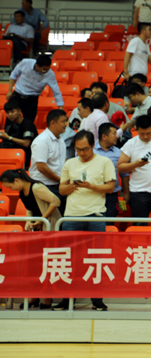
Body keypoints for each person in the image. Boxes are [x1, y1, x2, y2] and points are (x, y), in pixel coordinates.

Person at [56, 130, 116, 311]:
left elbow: (110, 187)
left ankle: (97, 299)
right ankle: (68, 298)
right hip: (72, 215)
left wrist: (91, 186)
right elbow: (61, 190)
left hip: (95, 216)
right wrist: (72, 186)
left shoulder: (104, 162)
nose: (81, 153)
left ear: (93, 146)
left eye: (85, 149)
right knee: (69, 259)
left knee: (96, 258)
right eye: (78, 149)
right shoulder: (70, 163)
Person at [29, 110, 68, 211]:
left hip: (57, 185)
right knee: (47, 219)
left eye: (66, 121)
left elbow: (64, 161)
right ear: (53, 123)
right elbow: (41, 167)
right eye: (63, 121)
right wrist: (61, 180)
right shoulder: (41, 141)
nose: (66, 124)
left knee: (59, 217)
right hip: (44, 186)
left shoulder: (61, 140)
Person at [7, 54, 64, 123]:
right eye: (44, 69)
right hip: (17, 95)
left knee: (29, 122)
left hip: (31, 100)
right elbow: (13, 75)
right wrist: (10, 91)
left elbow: (56, 91)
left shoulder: (50, 74)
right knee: (10, 118)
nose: (46, 71)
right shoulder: (25, 62)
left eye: (48, 69)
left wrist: (61, 107)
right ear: (37, 66)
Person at [95, 122, 129, 223]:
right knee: (96, 223)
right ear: (104, 136)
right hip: (95, 194)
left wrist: (127, 193)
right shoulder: (92, 152)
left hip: (113, 195)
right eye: (114, 134)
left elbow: (124, 174)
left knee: (111, 221)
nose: (116, 136)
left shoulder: (119, 152)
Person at [0, 99, 37, 167]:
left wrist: (9, 137)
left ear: (19, 111)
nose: (10, 114)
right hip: (11, 150)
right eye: (7, 113)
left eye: (12, 112)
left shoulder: (28, 124)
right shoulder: (10, 122)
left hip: (25, 154)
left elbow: (26, 143)